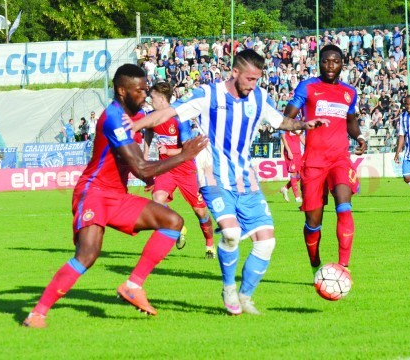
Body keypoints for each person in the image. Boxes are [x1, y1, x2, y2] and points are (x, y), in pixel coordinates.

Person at [129, 49, 320, 316]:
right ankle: (229, 288)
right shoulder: (209, 95)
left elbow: (281, 122)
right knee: (230, 234)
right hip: (212, 174)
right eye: (250, 79)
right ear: (235, 73)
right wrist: (134, 126)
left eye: (257, 80)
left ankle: (246, 296)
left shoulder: (260, 98)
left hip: (246, 178)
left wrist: (303, 124)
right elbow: (166, 113)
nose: (253, 85)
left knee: (266, 242)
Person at [22, 64, 208, 328]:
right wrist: (183, 156)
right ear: (122, 90)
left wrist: (151, 175)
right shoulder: (112, 117)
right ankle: (37, 314)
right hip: (94, 193)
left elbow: (141, 169)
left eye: (146, 89)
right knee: (87, 255)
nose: (144, 95)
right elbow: (140, 167)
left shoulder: (130, 118)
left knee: (173, 222)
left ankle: (133, 285)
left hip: (116, 195)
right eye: (140, 90)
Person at [283, 44, 367, 275]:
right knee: (313, 222)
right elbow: (286, 119)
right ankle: (315, 264)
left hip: (340, 158)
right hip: (313, 162)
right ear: (319, 62)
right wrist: (301, 125)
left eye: (336, 61)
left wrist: (359, 136)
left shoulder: (349, 92)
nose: (331, 65)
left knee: (344, 207)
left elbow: (350, 121)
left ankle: (343, 267)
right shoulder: (308, 87)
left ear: (342, 63)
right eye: (326, 61)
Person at [143, 81, 216, 259]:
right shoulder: (152, 116)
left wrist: (168, 151)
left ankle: (210, 244)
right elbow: (149, 132)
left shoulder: (179, 119)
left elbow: (187, 150)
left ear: (161, 99)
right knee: (157, 200)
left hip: (185, 169)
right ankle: (179, 225)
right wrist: (145, 156)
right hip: (165, 168)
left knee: (200, 211)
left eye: (152, 97)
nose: (149, 100)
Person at [278, 128, 305, 203]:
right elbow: (283, 139)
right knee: (293, 174)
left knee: (299, 175)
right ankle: (297, 197)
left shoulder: (297, 129)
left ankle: (285, 188)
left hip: (298, 153)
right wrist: (289, 151)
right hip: (290, 153)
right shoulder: (285, 126)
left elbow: (304, 141)